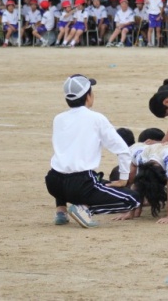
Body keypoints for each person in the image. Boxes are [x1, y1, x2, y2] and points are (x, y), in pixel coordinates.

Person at [44, 75, 141, 227]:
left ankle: (61, 211)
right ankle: (85, 210)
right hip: (81, 184)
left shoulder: (59, 118)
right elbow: (122, 150)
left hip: (53, 183)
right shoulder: (96, 118)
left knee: (65, 164)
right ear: (88, 96)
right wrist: (123, 178)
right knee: (133, 199)